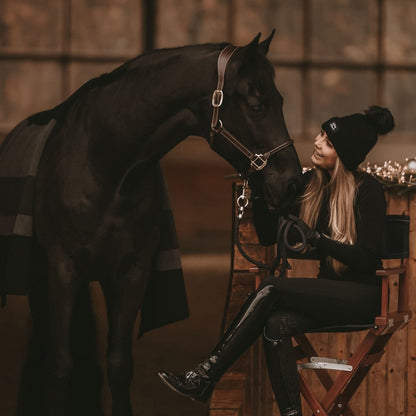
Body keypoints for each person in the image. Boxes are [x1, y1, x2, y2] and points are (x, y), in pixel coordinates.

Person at [158, 105, 394, 416]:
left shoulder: (368, 191)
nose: (317, 141)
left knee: (271, 289)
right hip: (331, 291)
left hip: (363, 297)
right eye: (322, 134)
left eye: (328, 140)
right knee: (275, 324)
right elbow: (270, 235)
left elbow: (367, 259)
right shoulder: (313, 186)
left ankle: (205, 375)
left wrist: (319, 240)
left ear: (343, 154)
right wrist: (257, 192)